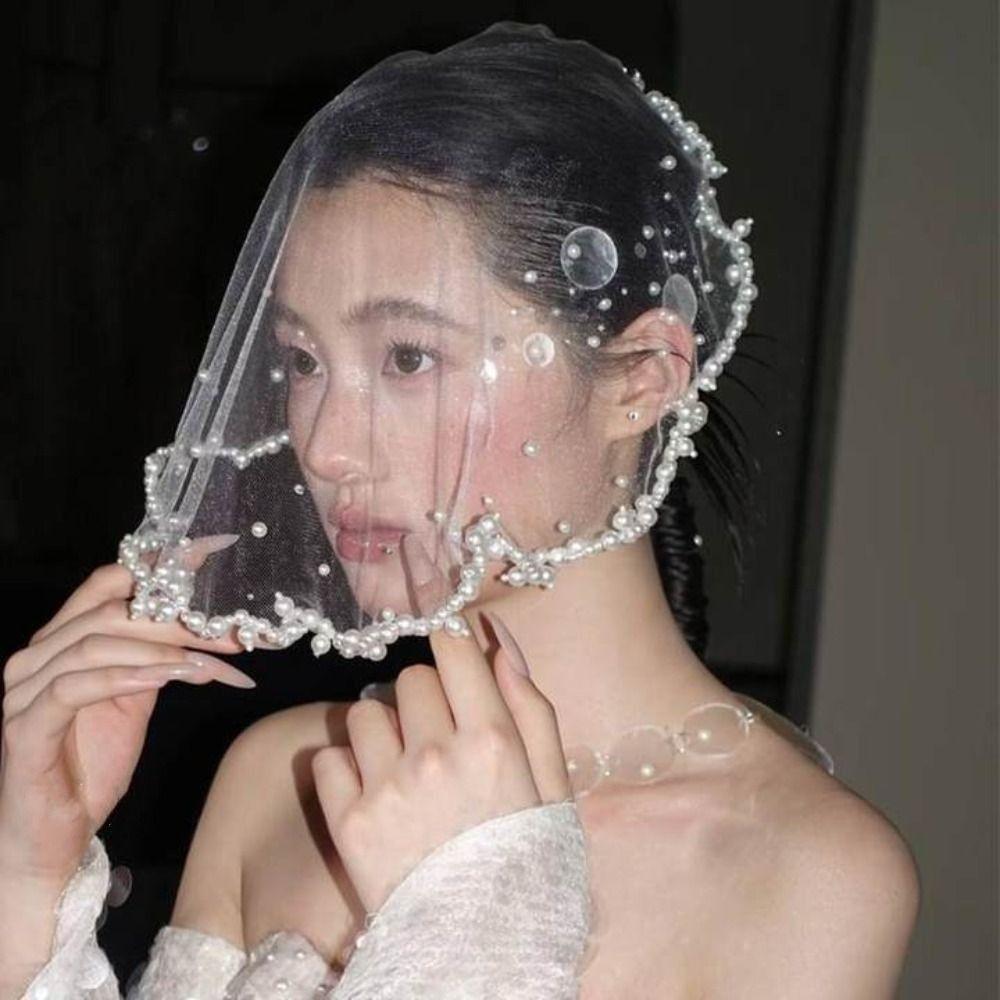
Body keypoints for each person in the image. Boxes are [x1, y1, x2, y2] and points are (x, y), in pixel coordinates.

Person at [0, 22, 920, 999]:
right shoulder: (282, 776)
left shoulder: (804, 872)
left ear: (642, 379)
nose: (325, 446)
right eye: (302, 360)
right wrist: (28, 878)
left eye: (407, 357)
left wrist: (473, 919)